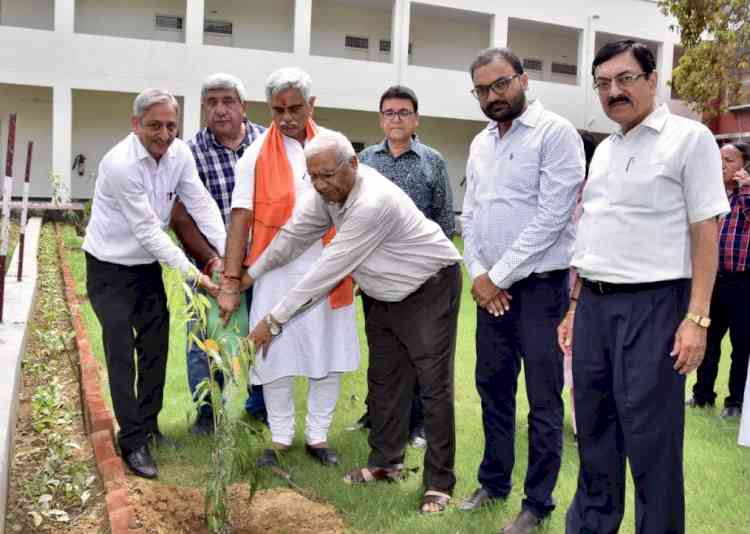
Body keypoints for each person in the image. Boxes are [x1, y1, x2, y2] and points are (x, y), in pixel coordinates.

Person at [220, 130, 462, 514]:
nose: (320, 184)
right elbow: (292, 237)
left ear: (354, 164)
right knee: (384, 382)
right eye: (313, 176)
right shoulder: (327, 194)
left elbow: (326, 273)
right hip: (383, 292)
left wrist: (273, 321)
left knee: (432, 386)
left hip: (428, 287)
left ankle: (439, 483)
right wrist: (249, 273)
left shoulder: (372, 202)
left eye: (328, 175)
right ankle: (385, 463)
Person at [559, 40, 729, 534]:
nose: (614, 92)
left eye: (625, 79)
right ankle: (592, 525)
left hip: (654, 306)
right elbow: (592, 232)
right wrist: (573, 307)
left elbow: (705, 230)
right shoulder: (607, 149)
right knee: (594, 428)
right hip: (593, 305)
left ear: (653, 80)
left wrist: (697, 318)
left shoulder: (690, 138)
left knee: (651, 438)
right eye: (604, 84)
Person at [458, 47, 585, 534]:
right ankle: (492, 483)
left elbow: (553, 218)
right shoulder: (480, 142)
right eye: (482, 90)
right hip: (491, 287)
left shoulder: (556, 134)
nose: (493, 96)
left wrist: (497, 277)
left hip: (541, 289)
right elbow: (469, 215)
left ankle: (537, 503)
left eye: (501, 84)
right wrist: (478, 274)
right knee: (492, 386)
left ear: (523, 79)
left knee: (543, 397)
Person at [218, 67, 360, 468]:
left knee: (327, 352)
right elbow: (240, 219)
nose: (286, 117)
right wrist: (231, 279)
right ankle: (280, 437)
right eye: (278, 109)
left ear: (311, 105)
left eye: (295, 107)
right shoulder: (255, 155)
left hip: (331, 267)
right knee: (273, 353)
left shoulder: (336, 145)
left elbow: (357, 208)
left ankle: (317, 436)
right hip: (274, 271)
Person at [83, 89, 226, 478]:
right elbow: (148, 230)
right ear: (135, 125)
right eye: (154, 125)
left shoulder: (180, 154)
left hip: (145, 269)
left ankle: (147, 427)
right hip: (108, 267)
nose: (164, 134)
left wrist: (227, 255)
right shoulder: (120, 164)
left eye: (170, 125)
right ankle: (131, 441)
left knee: (154, 348)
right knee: (119, 349)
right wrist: (194, 274)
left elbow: (200, 203)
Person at [355, 84, 455, 448]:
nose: (395, 119)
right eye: (389, 113)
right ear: (381, 119)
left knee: (419, 356)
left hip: (421, 280)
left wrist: (434, 272)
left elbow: (444, 219)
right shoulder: (365, 160)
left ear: (416, 118)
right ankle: (376, 415)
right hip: (376, 276)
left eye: (403, 113)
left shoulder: (433, 161)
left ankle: (418, 425)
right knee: (382, 353)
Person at [171, 72, 268, 435]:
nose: (220, 109)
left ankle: (261, 405)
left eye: (228, 101)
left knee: (264, 334)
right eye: (211, 102)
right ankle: (209, 412)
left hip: (262, 265)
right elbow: (181, 214)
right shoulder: (190, 151)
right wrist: (214, 262)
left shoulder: (266, 143)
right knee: (204, 340)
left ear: (243, 106)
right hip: (208, 267)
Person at [687, 141, 750, 418]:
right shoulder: (717, 195)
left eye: (729, 160)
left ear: (745, 165)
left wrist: (746, 190)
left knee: (741, 345)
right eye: (719, 158)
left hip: (744, 282)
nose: (722, 164)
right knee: (709, 339)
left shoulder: (746, 195)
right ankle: (702, 395)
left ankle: (735, 402)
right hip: (714, 280)